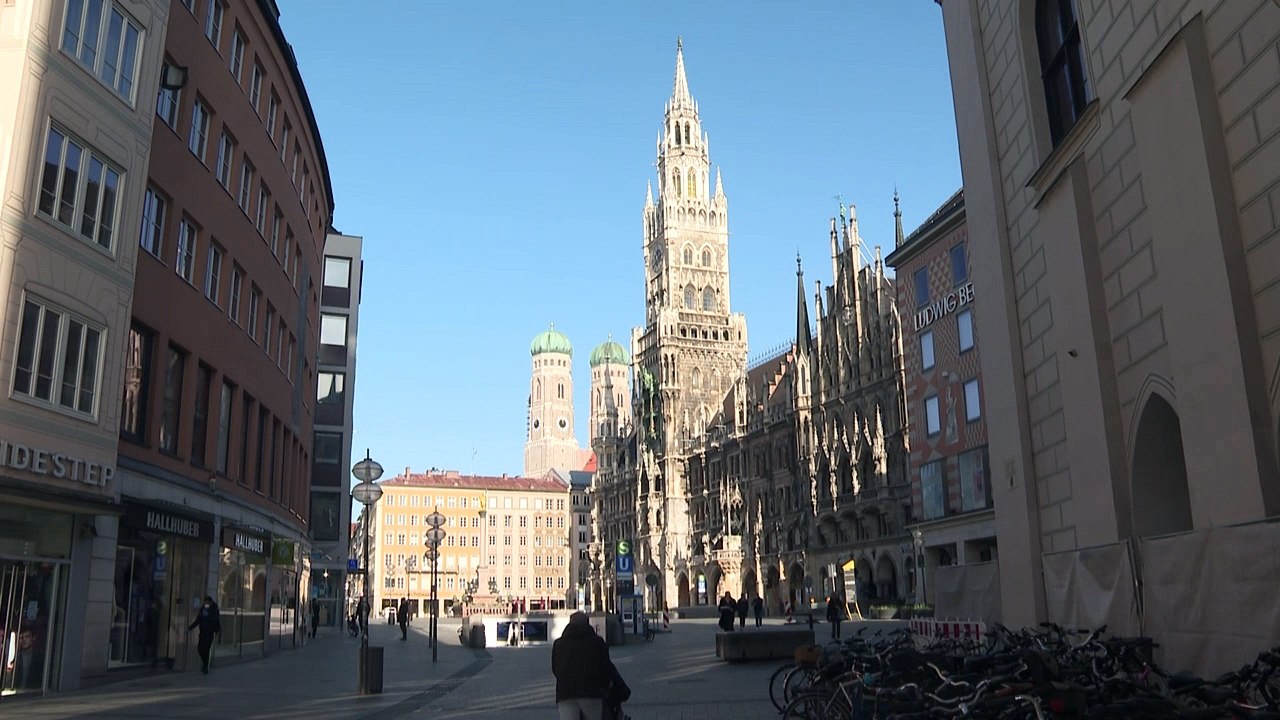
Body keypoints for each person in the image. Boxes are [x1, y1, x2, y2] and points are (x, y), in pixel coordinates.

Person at [552, 612, 627, 720]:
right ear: (588, 623)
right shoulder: (597, 642)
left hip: (565, 693)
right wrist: (607, 684)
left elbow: (556, 669)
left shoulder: (559, 644)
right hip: (591, 692)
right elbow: (605, 667)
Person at [187, 596, 221, 674]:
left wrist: (216, 631)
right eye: (205, 602)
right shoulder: (203, 608)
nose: (206, 604)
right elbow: (199, 619)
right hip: (202, 632)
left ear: (210, 602)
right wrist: (190, 628)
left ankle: (205, 667)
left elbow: (215, 620)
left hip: (210, 632)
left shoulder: (214, 609)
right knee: (200, 649)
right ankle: (204, 664)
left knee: (206, 649)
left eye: (207, 602)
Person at [9, 626, 44, 690]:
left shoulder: (39, 657)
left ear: (33, 638)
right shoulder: (17, 656)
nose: (24, 640)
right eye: (21, 637)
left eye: (27, 636)